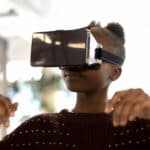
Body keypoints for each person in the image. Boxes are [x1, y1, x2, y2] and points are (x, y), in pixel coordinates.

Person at [0, 21, 150, 150]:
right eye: (71, 53)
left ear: (115, 73)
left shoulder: (139, 131)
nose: (73, 64)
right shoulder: (39, 129)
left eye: (88, 54)